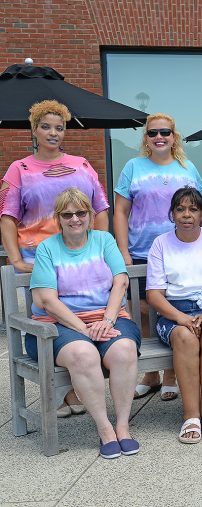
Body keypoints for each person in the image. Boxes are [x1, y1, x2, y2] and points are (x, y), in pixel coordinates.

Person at [1, 99, 110, 418]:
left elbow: (100, 208)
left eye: (59, 127)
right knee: (52, 321)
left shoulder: (82, 165)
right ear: (34, 130)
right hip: (39, 263)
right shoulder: (18, 169)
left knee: (81, 316)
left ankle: (75, 392)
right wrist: (15, 258)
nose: (52, 132)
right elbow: (6, 215)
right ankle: (64, 394)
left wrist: (101, 249)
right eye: (45, 126)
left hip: (81, 262)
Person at [25, 188, 141, 458]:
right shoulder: (47, 248)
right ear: (58, 218)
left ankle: (123, 426)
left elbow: (120, 281)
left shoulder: (104, 240)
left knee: (123, 349)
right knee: (83, 352)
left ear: (90, 215)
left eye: (81, 213)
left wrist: (107, 319)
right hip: (56, 325)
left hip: (107, 317)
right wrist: (85, 328)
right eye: (67, 214)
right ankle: (105, 430)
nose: (75, 219)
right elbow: (47, 301)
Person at [114, 112, 202, 402]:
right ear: (146, 138)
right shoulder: (133, 167)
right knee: (140, 311)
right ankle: (149, 374)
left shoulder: (187, 168)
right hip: (140, 251)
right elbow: (121, 211)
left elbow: (199, 209)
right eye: (153, 133)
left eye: (165, 132)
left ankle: (170, 375)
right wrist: (123, 250)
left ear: (174, 136)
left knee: (171, 308)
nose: (159, 137)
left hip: (179, 252)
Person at [146, 187, 202, 443]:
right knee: (185, 337)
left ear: (201, 214)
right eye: (180, 209)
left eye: (193, 209)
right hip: (176, 312)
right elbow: (154, 294)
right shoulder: (161, 243)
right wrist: (181, 318)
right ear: (172, 214)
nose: (187, 215)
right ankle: (190, 416)